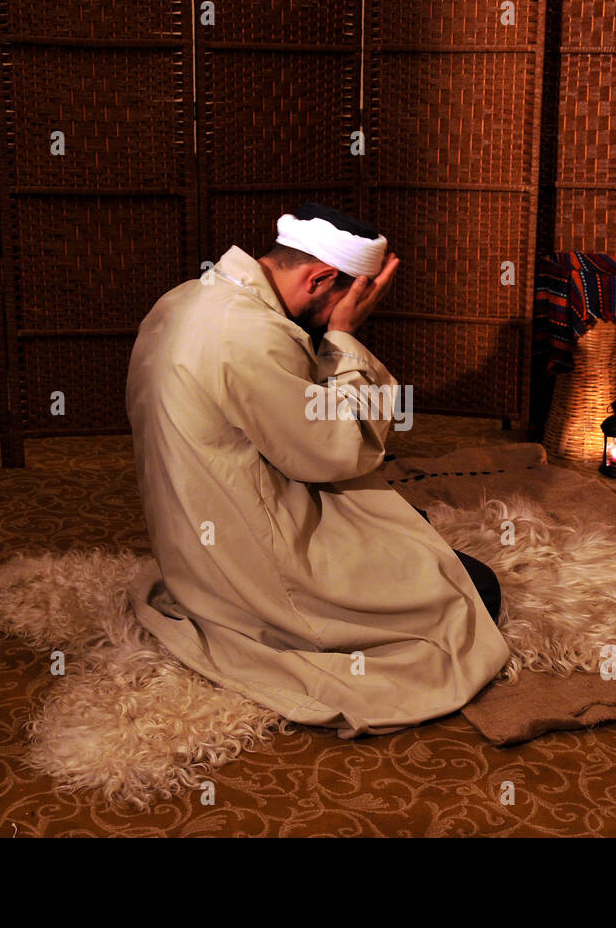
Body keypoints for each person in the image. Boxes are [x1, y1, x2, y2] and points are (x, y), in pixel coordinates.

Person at [124, 203, 510, 737]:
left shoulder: (186, 298)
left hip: (192, 537)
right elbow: (337, 451)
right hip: (251, 562)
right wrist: (347, 337)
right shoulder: (248, 333)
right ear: (321, 277)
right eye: (350, 297)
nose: (349, 309)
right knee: (473, 592)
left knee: (408, 534)